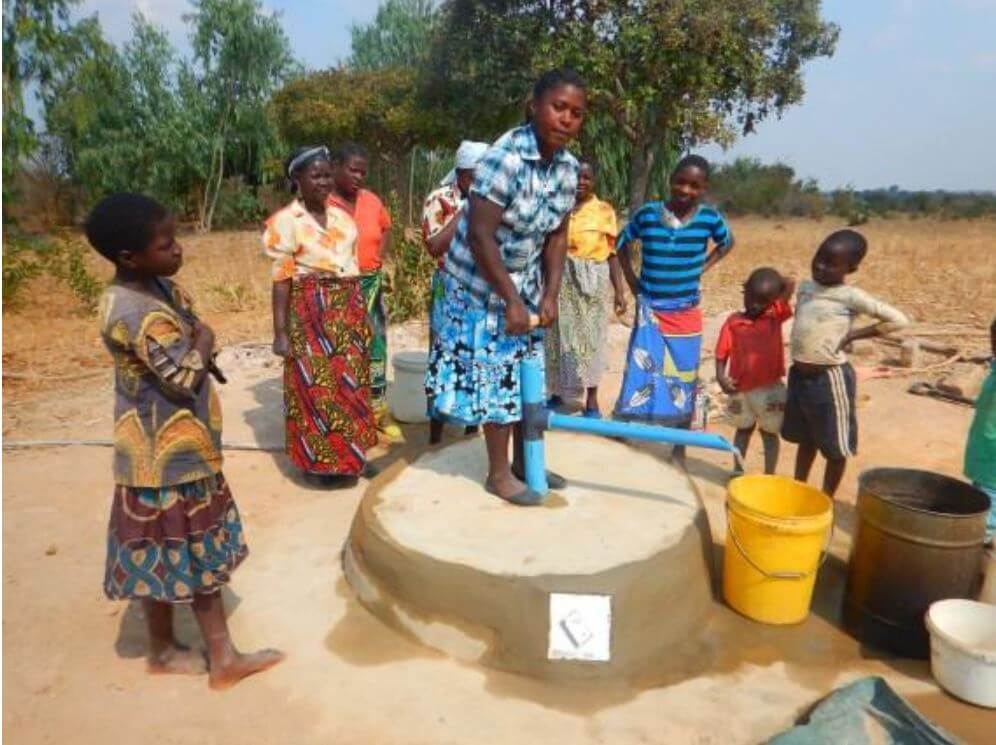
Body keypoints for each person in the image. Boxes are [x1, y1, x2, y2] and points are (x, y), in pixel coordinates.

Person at [88, 192, 283, 690]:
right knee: (199, 556)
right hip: (171, 455)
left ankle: (162, 651)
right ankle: (224, 660)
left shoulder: (150, 288)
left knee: (160, 549)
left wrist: (196, 331)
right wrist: (203, 338)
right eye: (166, 243)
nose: (178, 250)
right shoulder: (135, 310)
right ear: (129, 257)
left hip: (152, 453)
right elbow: (182, 377)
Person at [424, 68, 587, 505]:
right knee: (496, 377)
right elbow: (479, 236)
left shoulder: (569, 168)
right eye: (558, 107)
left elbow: (556, 235)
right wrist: (511, 300)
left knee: (527, 374)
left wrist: (549, 295)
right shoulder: (504, 158)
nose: (567, 118)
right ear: (533, 106)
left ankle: (524, 462)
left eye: (576, 112)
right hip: (478, 282)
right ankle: (498, 474)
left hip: (524, 282)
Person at [264, 146, 377, 482]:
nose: (324, 182)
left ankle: (353, 456)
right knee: (316, 389)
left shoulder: (343, 218)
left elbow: (352, 267)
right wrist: (281, 332)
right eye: (316, 175)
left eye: (328, 175)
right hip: (309, 311)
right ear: (297, 179)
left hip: (348, 308)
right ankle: (322, 465)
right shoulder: (285, 222)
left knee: (352, 386)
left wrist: (362, 315)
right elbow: (282, 279)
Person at [614, 154, 734, 462]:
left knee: (683, 374)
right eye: (680, 182)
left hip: (686, 311)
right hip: (650, 309)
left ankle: (679, 442)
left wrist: (701, 268)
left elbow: (727, 243)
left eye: (694, 185)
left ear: (704, 188)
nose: (685, 190)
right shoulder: (649, 214)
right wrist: (631, 282)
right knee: (641, 370)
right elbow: (621, 243)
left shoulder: (709, 218)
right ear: (670, 180)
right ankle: (628, 428)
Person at [782, 229, 909, 498]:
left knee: (835, 446)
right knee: (806, 439)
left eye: (831, 263)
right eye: (818, 257)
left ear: (850, 268)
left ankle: (825, 499)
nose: (820, 265)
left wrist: (855, 334)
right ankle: (797, 489)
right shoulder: (806, 287)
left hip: (829, 378)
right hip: (799, 376)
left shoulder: (850, 296)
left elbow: (899, 320)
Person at [327, 142, 401, 441]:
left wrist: (377, 258)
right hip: (339, 286)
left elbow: (385, 228)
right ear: (335, 168)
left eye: (362, 172)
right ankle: (346, 414)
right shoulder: (324, 204)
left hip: (371, 283)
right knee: (343, 351)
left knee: (377, 348)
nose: (358, 176)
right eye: (352, 170)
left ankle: (378, 413)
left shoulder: (371, 200)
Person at [545, 159, 628, 418]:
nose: (581, 182)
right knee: (558, 337)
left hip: (592, 279)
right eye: (576, 176)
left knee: (591, 340)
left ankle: (591, 400)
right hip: (561, 278)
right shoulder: (557, 207)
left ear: (594, 181)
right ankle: (556, 394)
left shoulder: (604, 211)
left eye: (586, 177)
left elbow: (612, 253)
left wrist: (620, 291)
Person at [421, 140, 490, 444]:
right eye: (479, 175)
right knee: (442, 356)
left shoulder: (494, 199)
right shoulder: (440, 200)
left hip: (483, 288)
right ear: (463, 176)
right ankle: (435, 432)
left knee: (479, 356)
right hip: (450, 287)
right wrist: (467, 211)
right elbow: (434, 245)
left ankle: (471, 429)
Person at [715, 268, 795, 474]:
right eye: (751, 298)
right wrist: (721, 377)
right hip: (740, 390)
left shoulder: (775, 315)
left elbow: (790, 283)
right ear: (745, 292)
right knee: (743, 431)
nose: (755, 305)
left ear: (772, 300)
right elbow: (721, 354)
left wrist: (773, 288)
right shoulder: (733, 322)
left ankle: (769, 475)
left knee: (770, 434)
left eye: (762, 301)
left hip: (770, 390)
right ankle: (738, 471)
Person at [964, 317, 996, 542]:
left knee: (984, 530)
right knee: (978, 505)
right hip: (983, 450)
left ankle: (980, 567)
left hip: (993, 463)